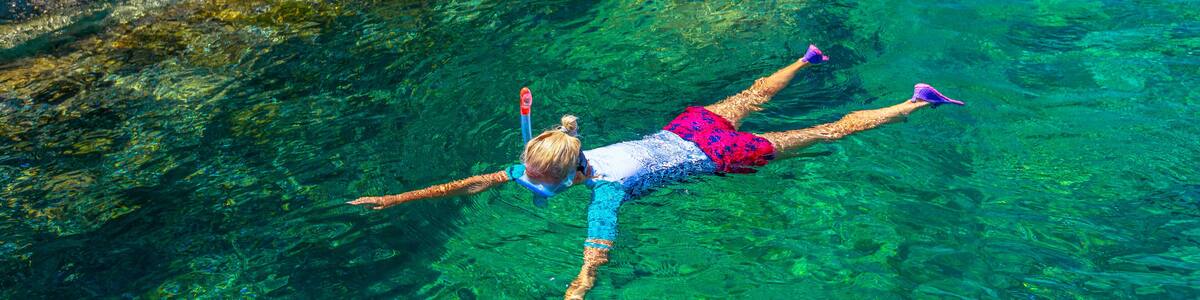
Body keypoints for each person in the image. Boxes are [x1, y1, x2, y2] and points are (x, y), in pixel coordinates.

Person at [348, 45, 964, 299]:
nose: (529, 182)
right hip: (686, 130)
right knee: (751, 96)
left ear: (558, 174)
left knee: (824, 132)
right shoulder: (568, 149)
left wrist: (578, 290)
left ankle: (916, 103)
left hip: (720, 157)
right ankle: (806, 59)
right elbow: (479, 179)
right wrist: (400, 198)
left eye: (537, 182)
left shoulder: (606, 190)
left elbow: (599, 249)